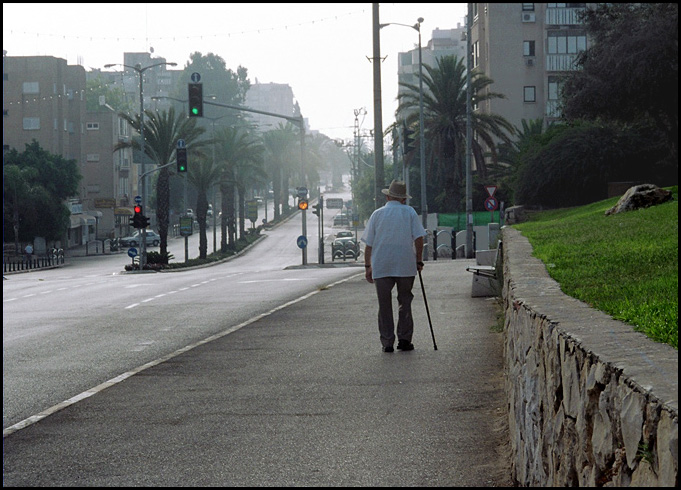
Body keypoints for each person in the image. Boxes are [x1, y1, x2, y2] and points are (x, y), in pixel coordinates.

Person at [361, 180, 426, 353]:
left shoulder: (377, 214)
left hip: (381, 265)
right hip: (405, 264)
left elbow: (369, 244)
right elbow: (419, 238)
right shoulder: (410, 212)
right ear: (403, 199)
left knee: (384, 305)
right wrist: (418, 260)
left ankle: (387, 342)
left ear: (388, 196)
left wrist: (368, 265)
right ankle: (404, 339)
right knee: (405, 301)